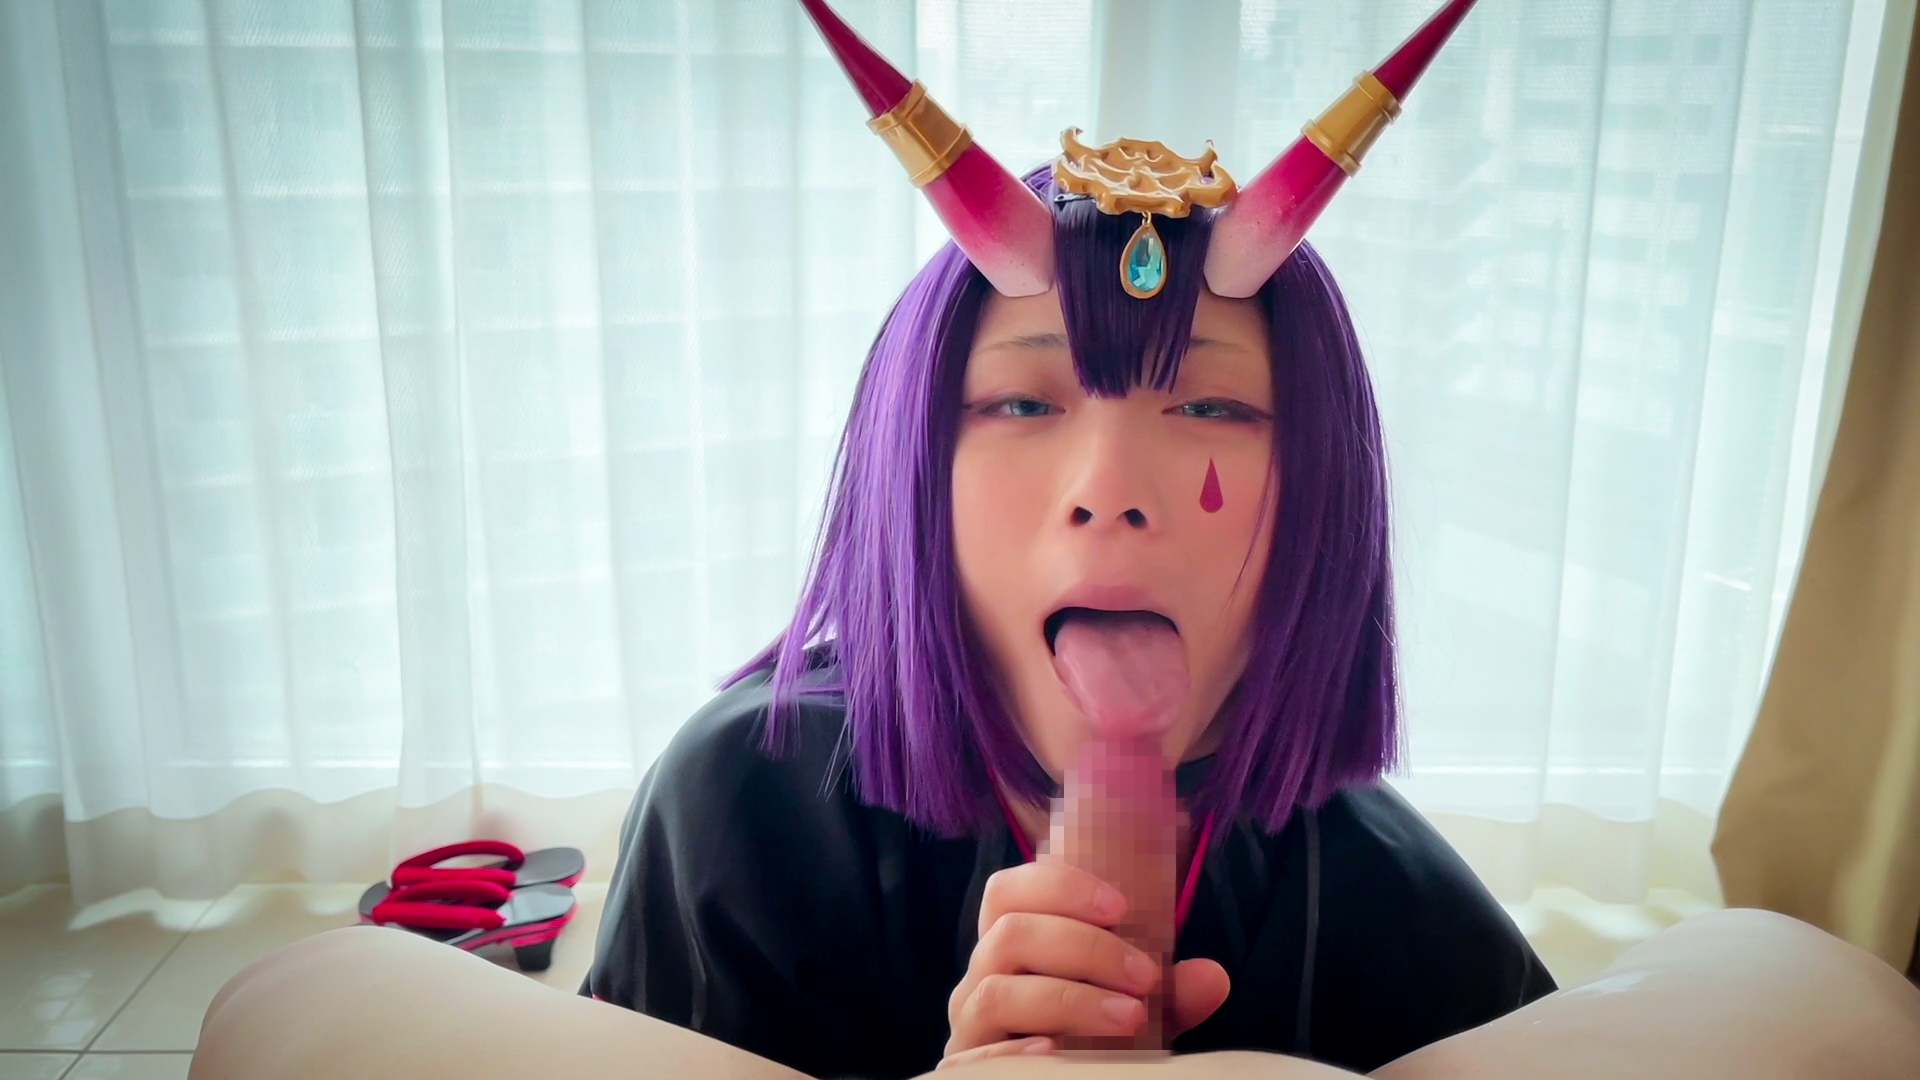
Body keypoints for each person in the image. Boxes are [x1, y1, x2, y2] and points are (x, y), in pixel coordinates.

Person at [578, 1, 1556, 1077]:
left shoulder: (1384, 888)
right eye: (1022, 403)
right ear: (913, 469)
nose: (1110, 491)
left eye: (1212, 407)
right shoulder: (748, 807)